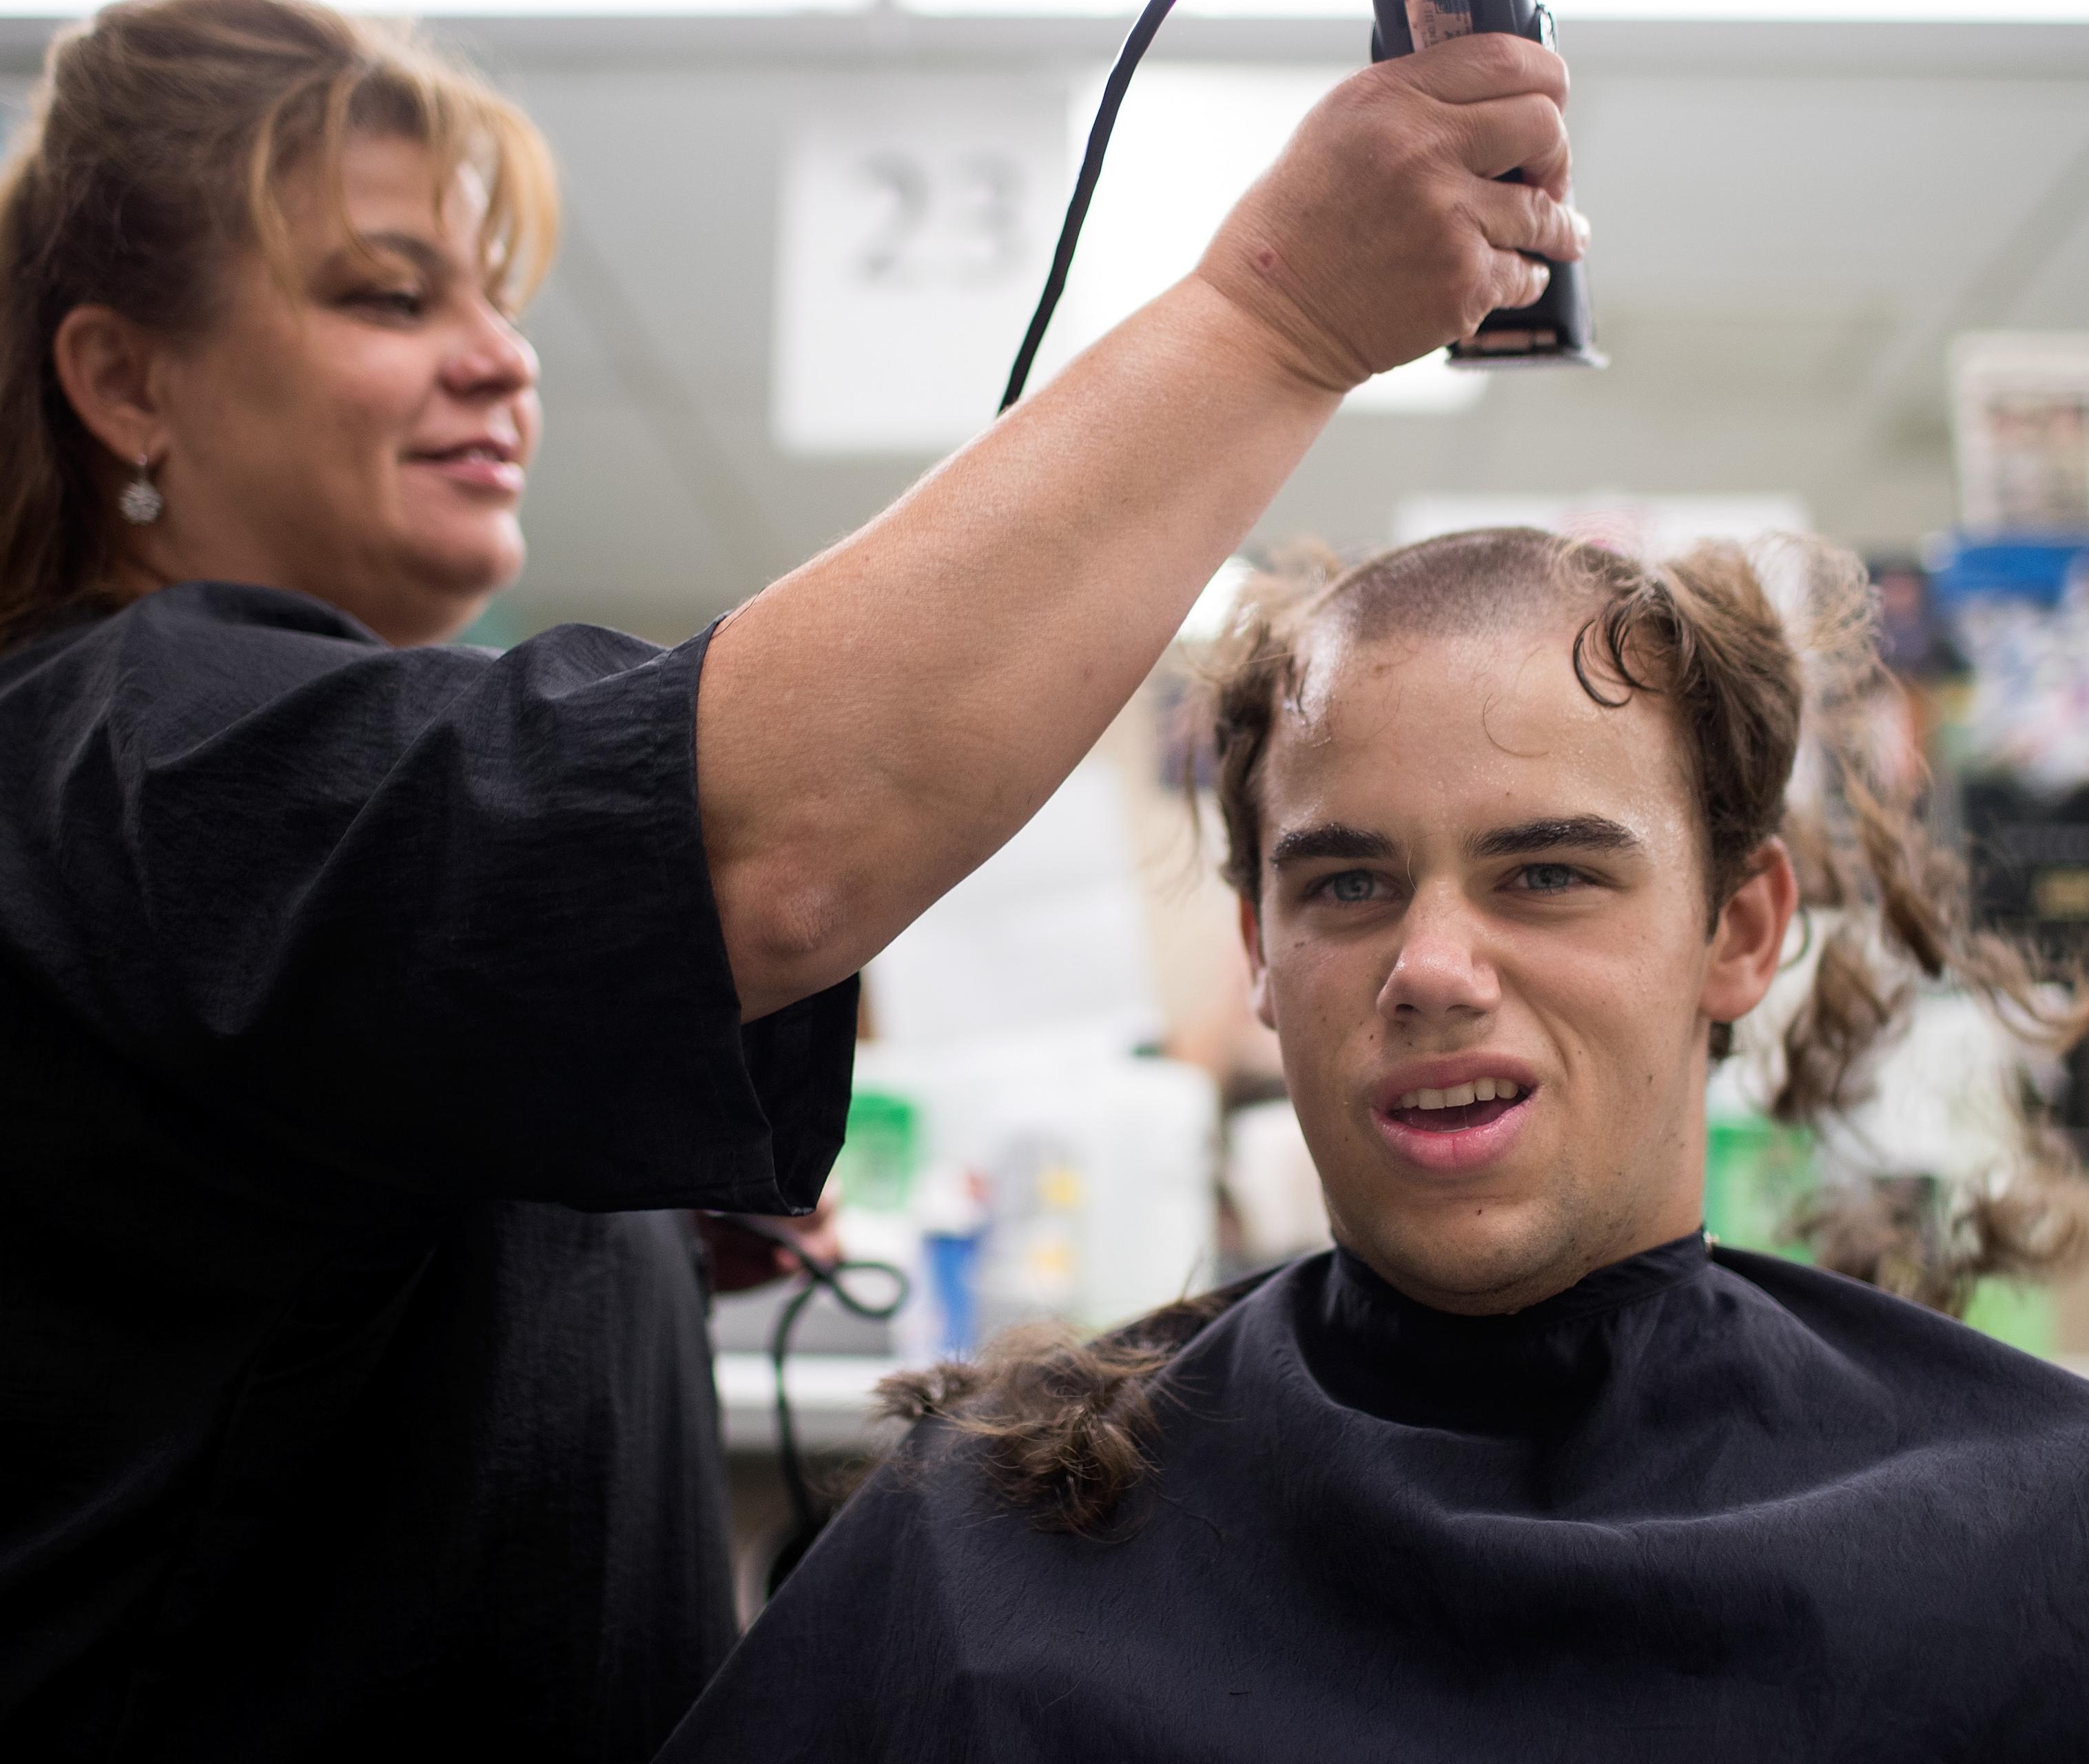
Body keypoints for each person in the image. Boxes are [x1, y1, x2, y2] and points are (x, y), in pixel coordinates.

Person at [0, 1, 1586, 1756]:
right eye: (391, 296)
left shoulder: (212, 823)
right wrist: (1280, 315)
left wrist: (605, 1241)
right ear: (124, 379)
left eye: (497, 303)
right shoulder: (143, 752)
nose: (499, 359)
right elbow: (779, 843)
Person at [658, 528, 2089, 1763]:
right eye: (1347, 880)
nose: (1434, 966)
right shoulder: (990, 1541)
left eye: (1549, 871)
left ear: (1739, 931)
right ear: (1262, 951)